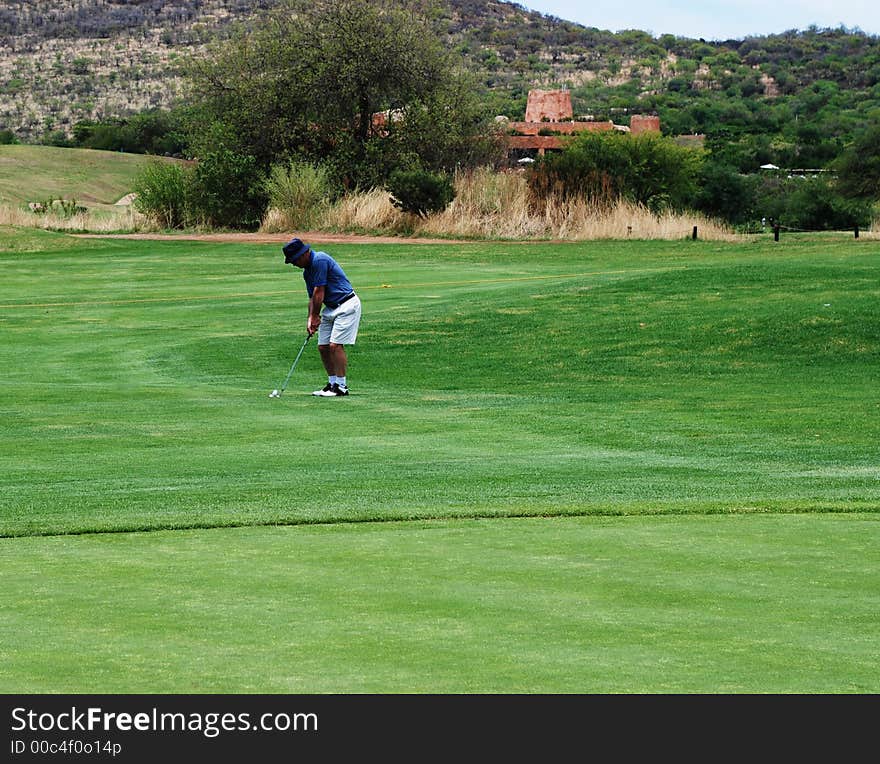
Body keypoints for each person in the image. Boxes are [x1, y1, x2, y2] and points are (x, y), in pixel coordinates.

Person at [283, 238, 362, 397]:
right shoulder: (307, 273)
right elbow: (312, 297)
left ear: (305, 253)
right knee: (323, 347)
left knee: (335, 345)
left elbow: (320, 292)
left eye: (295, 259)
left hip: (346, 305)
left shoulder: (320, 260)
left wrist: (315, 316)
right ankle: (332, 383)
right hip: (331, 308)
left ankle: (341, 387)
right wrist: (310, 320)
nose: (294, 264)